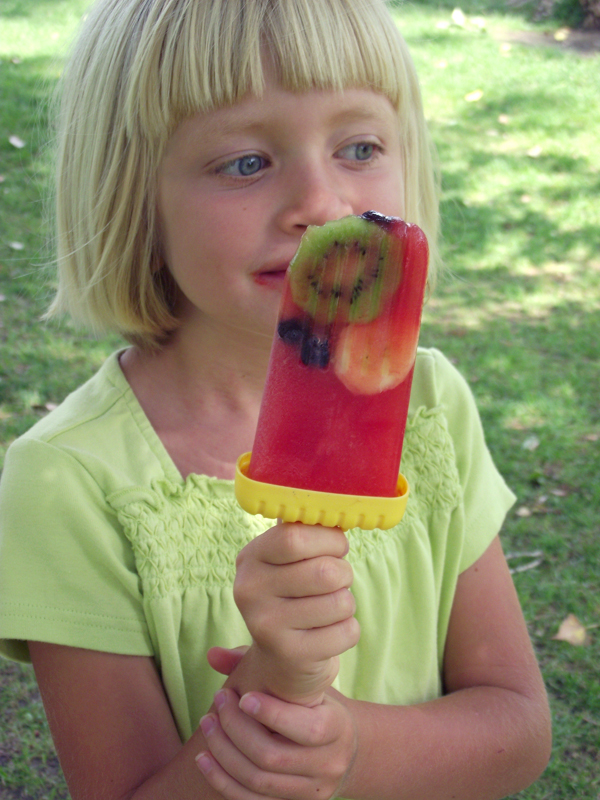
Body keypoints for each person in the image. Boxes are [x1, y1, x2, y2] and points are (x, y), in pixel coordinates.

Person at [0, 0, 552, 798]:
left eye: (359, 147)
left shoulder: (429, 403)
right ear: (134, 197)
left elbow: (519, 731)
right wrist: (278, 686)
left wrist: (354, 746)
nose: (321, 204)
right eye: (246, 163)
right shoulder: (67, 481)